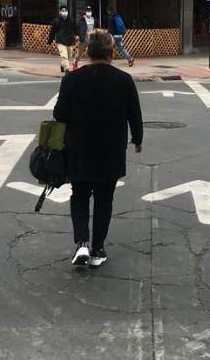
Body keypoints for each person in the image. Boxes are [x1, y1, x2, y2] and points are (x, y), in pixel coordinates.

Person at [54, 30, 144, 268]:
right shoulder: (124, 80)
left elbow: (59, 114)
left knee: (80, 195)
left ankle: (82, 242)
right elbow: (134, 113)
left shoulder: (72, 79)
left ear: (88, 52)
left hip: (79, 148)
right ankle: (98, 249)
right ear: (111, 52)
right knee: (105, 199)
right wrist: (137, 139)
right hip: (111, 149)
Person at [47, 6, 79, 74]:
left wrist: (77, 35)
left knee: (68, 55)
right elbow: (53, 31)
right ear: (60, 12)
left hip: (70, 41)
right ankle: (67, 69)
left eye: (65, 11)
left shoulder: (72, 20)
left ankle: (62, 65)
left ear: (68, 11)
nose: (64, 12)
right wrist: (50, 40)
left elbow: (75, 29)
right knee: (64, 55)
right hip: (60, 40)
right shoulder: (56, 20)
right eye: (63, 11)